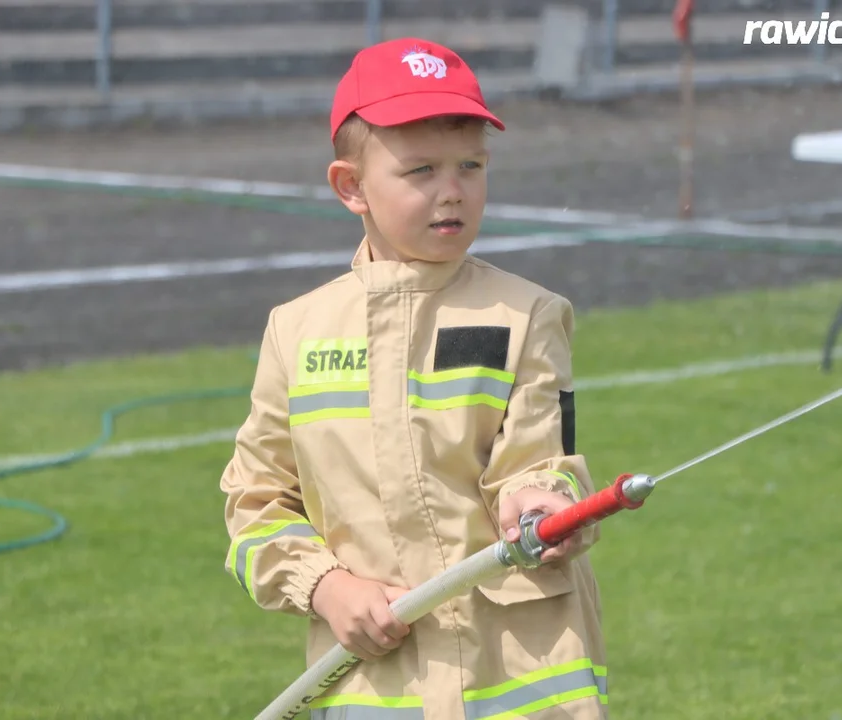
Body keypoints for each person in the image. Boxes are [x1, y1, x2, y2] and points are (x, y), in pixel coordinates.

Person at [220, 37, 608, 720]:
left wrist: (547, 505)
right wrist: (326, 587)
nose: (452, 190)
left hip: (524, 679)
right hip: (377, 690)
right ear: (350, 187)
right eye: (421, 170)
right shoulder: (296, 330)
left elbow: (544, 461)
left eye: (471, 166)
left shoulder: (528, 315)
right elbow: (255, 508)